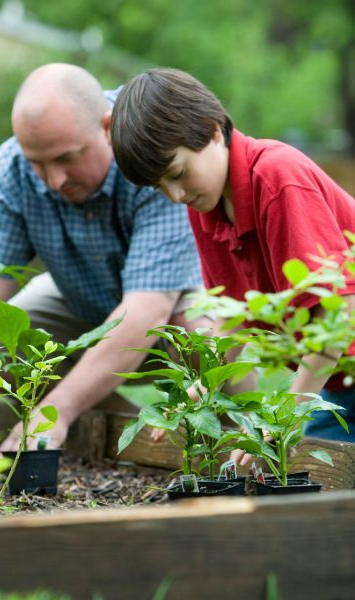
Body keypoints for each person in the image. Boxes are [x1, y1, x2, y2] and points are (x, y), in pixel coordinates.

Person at [0, 63, 204, 452]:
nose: (54, 180)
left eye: (66, 158)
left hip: (173, 300)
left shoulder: (149, 145)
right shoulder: (14, 167)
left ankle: (233, 444)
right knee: (2, 338)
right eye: (39, 163)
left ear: (106, 127)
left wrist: (57, 410)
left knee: (205, 336)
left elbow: (147, 311)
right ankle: (124, 437)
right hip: (79, 299)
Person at [110, 66, 355, 444]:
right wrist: (200, 392)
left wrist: (283, 415)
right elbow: (233, 319)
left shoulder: (276, 177)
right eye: (159, 187)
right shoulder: (203, 207)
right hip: (339, 382)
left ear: (212, 130)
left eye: (177, 173)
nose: (174, 195)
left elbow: (337, 313)